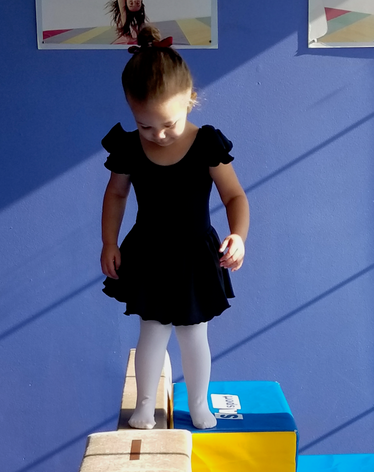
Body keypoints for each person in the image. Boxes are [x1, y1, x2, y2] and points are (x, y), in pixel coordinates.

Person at [100, 25, 250, 430]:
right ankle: (145, 404)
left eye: (167, 124)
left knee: (192, 333)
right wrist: (108, 242)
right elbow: (115, 196)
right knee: (152, 329)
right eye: (145, 126)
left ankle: (199, 404)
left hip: (194, 254)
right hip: (149, 251)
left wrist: (238, 235)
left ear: (190, 100)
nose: (158, 135)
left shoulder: (206, 145)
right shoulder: (130, 148)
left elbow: (234, 196)